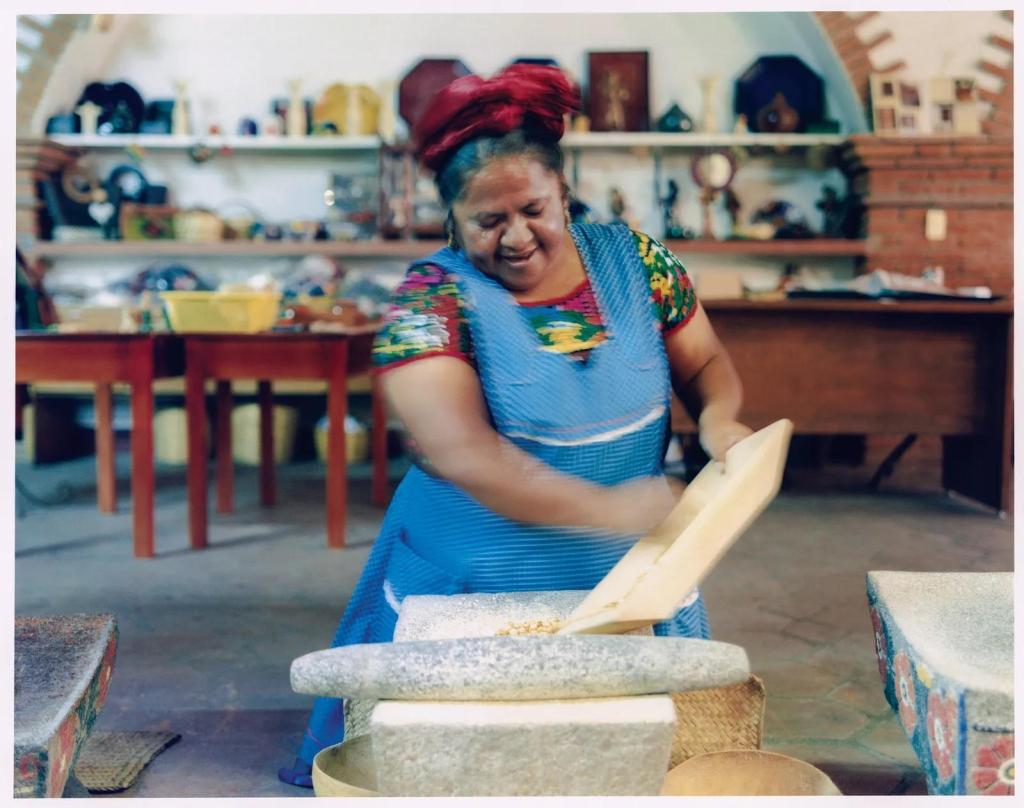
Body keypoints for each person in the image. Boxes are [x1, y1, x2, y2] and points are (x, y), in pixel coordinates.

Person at [278, 63, 752, 787]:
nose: (516, 236)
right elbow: (466, 455)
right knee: (471, 764)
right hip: (476, 581)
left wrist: (722, 420)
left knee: (635, 764)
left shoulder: (640, 263)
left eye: (533, 208)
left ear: (563, 191)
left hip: (627, 577)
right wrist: (614, 509)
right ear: (453, 218)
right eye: (487, 221)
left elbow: (706, 362)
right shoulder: (429, 302)